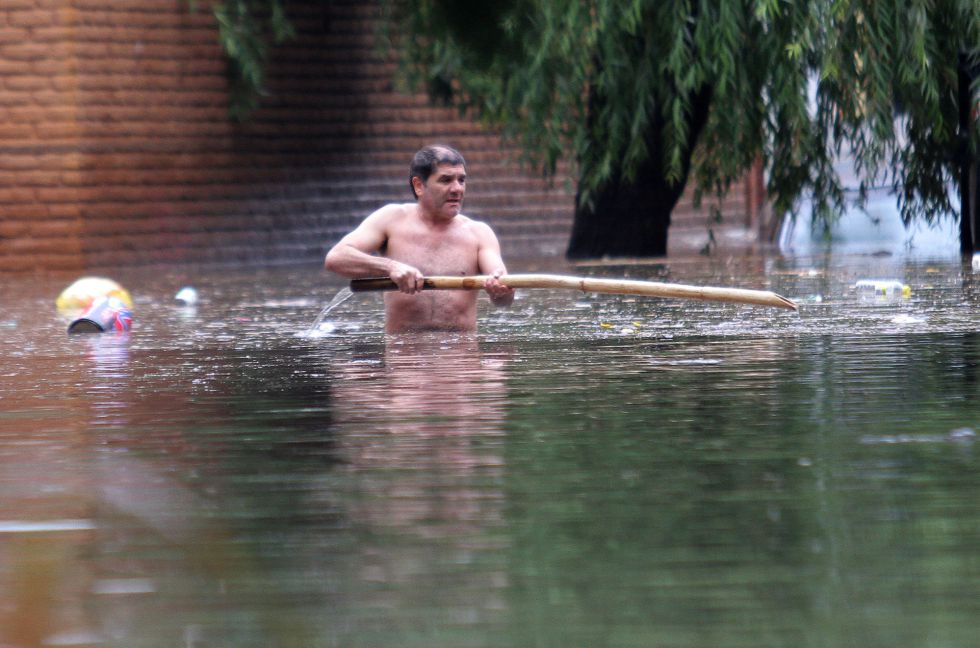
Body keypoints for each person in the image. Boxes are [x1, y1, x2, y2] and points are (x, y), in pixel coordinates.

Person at [324, 144, 515, 333]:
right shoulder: (391, 219)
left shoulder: (479, 233)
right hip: (404, 356)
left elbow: (504, 299)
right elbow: (336, 258)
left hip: (462, 357)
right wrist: (391, 267)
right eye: (446, 180)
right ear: (419, 186)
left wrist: (500, 290)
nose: (457, 189)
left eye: (462, 180)